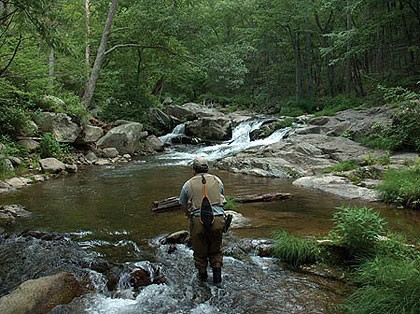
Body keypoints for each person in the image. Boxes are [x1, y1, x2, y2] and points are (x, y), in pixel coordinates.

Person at [179, 157, 226, 287]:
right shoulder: (217, 180)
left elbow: (182, 204)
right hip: (217, 220)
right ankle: (217, 282)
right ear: (207, 168)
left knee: (200, 254)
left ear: (193, 169)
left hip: (198, 221)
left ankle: (203, 283)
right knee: (216, 251)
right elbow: (222, 198)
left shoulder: (187, 184)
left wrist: (188, 215)